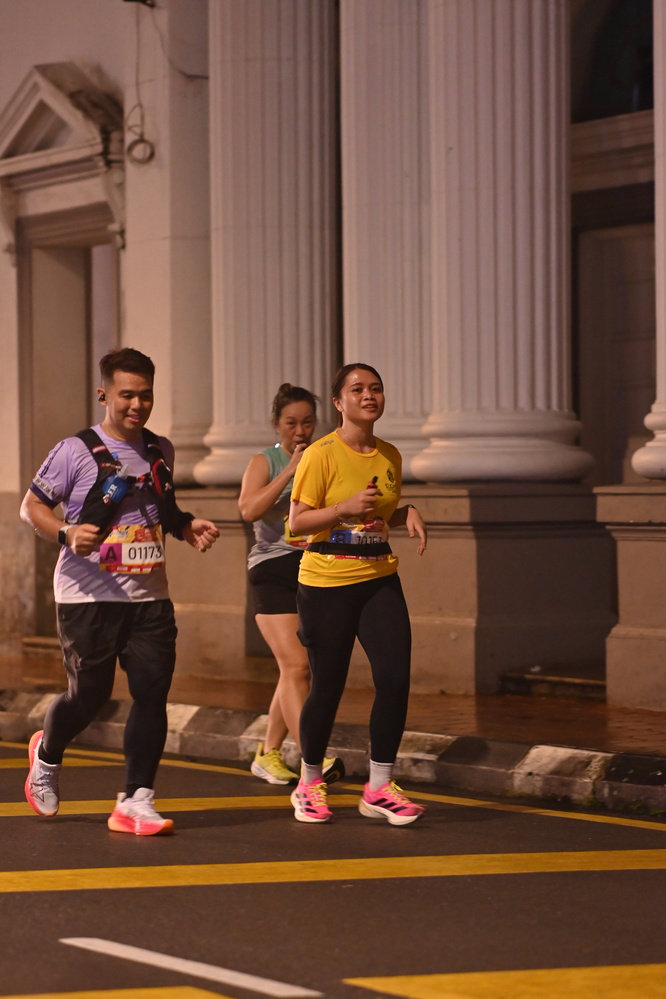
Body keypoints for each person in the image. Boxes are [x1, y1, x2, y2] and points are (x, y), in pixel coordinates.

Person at [20, 347, 220, 836]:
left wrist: (187, 526)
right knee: (89, 696)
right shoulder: (74, 450)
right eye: (127, 395)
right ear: (104, 394)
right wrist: (67, 532)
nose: (137, 405)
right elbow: (31, 508)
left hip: (150, 596)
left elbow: (162, 510)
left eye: (145, 395)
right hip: (87, 596)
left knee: (152, 693)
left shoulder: (160, 449)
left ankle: (136, 799)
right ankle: (47, 753)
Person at [288, 363, 427, 825]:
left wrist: (406, 511)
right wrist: (342, 508)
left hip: (378, 575)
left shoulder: (390, 455)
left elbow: (378, 515)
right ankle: (309, 781)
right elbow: (297, 522)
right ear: (338, 402)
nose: (369, 396)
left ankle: (380, 786)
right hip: (327, 581)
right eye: (357, 389)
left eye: (376, 388)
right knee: (328, 685)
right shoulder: (321, 454)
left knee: (395, 678)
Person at [238, 383, 344, 786]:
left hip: (314, 567)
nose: (300, 431)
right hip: (273, 568)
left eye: (307, 423)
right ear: (276, 424)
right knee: (297, 665)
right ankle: (313, 758)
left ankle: (268, 753)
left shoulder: (325, 456)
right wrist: (290, 469)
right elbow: (248, 509)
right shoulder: (264, 461)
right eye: (291, 423)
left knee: (296, 669)